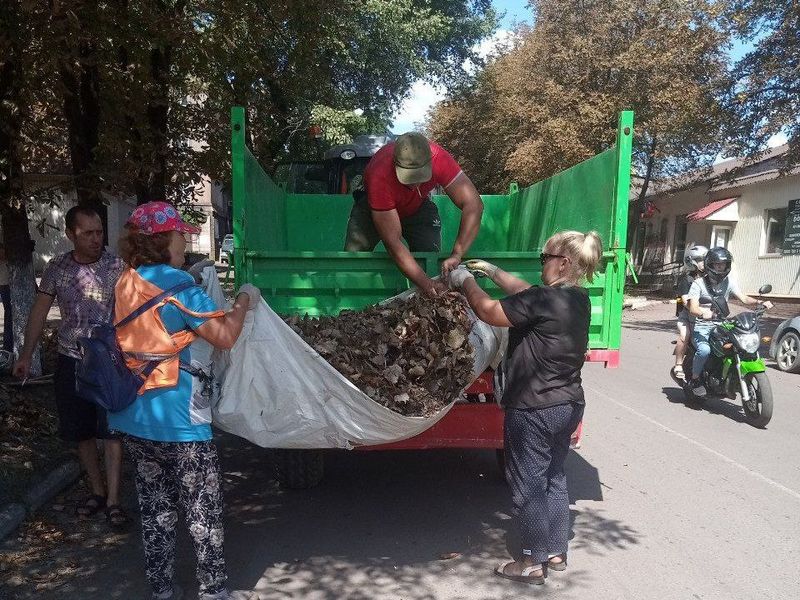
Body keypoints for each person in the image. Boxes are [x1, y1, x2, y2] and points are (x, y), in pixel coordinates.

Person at [110, 201, 260, 600]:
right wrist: (244, 299)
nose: (185, 241)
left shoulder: (125, 281)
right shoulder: (182, 288)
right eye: (180, 235)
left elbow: (153, 319)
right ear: (163, 240)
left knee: (156, 508)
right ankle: (213, 591)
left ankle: (161, 590)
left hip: (134, 417)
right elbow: (225, 335)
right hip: (181, 422)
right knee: (202, 509)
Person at [449, 230, 603, 585]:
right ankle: (554, 550)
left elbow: (489, 311)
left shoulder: (545, 300)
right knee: (554, 476)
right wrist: (492, 270)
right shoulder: (577, 298)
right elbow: (524, 292)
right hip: (567, 403)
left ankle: (532, 562)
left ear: (562, 262)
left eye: (544, 259)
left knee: (528, 484)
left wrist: (466, 280)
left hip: (533, 408)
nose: (540, 266)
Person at [13, 206, 128, 526]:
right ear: (70, 235)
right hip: (70, 359)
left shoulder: (117, 265)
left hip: (108, 361)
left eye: (99, 232)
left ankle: (115, 500)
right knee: (82, 431)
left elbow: (134, 308)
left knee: (111, 430)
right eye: (88, 233)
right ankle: (97, 491)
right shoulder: (57, 267)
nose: (96, 239)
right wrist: (26, 355)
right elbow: (39, 311)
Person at [344, 132, 484, 296]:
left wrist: (457, 254)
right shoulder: (379, 173)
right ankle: (352, 304)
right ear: (395, 165)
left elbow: (474, 205)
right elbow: (393, 243)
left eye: (420, 176)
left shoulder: (439, 158)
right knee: (352, 262)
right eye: (409, 178)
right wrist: (427, 284)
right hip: (373, 209)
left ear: (430, 162)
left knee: (429, 260)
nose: (415, 184)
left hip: (418, 206)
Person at [686, 246, 772, 397]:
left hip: (721, 323)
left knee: (738, 345)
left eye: (724, 265)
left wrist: (760, 302)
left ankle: (729, 376)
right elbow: (693, 308)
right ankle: (695, 380)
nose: (721, 268)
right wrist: (703, 312)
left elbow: (744, 298)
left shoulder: (728, 282)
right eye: (718, 265)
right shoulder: (698, 284)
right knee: (704, 350)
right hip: (702, 325)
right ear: (710, 265)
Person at [671, 245, 707, 383]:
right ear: (691, 261)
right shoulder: (687, 280)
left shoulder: (709, 279)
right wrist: (699, 310)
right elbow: (686, 302)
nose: (704, 263)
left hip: (707, 318)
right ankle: (679, 365)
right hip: (688, 317)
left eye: (705, 260)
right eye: (700, 260)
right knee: (684, 335)